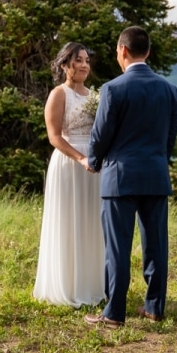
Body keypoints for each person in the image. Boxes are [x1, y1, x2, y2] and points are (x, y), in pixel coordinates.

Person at [84, 26, 177, 328]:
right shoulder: (169, 89)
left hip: (120, 178)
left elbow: (101, 134)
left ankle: (114, 312)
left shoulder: (113, 88)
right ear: (147, 52)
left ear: (123, 51)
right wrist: (159, 161)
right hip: (155, 175)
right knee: (156, 245)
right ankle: (155, 307)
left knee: (118, 247)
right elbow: (170, 137)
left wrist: (95, 160)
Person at [33, 42, 106, 308]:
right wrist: (81, 157)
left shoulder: (94, 96)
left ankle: (93, 285)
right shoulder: (59, 94)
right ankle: (68, 286)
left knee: (91, 222)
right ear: (65, 64)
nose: (84, 65)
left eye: (87, 60)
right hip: (68, 163)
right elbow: (54, 136)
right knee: (68, 221)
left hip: (95, 167)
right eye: (78, 60)